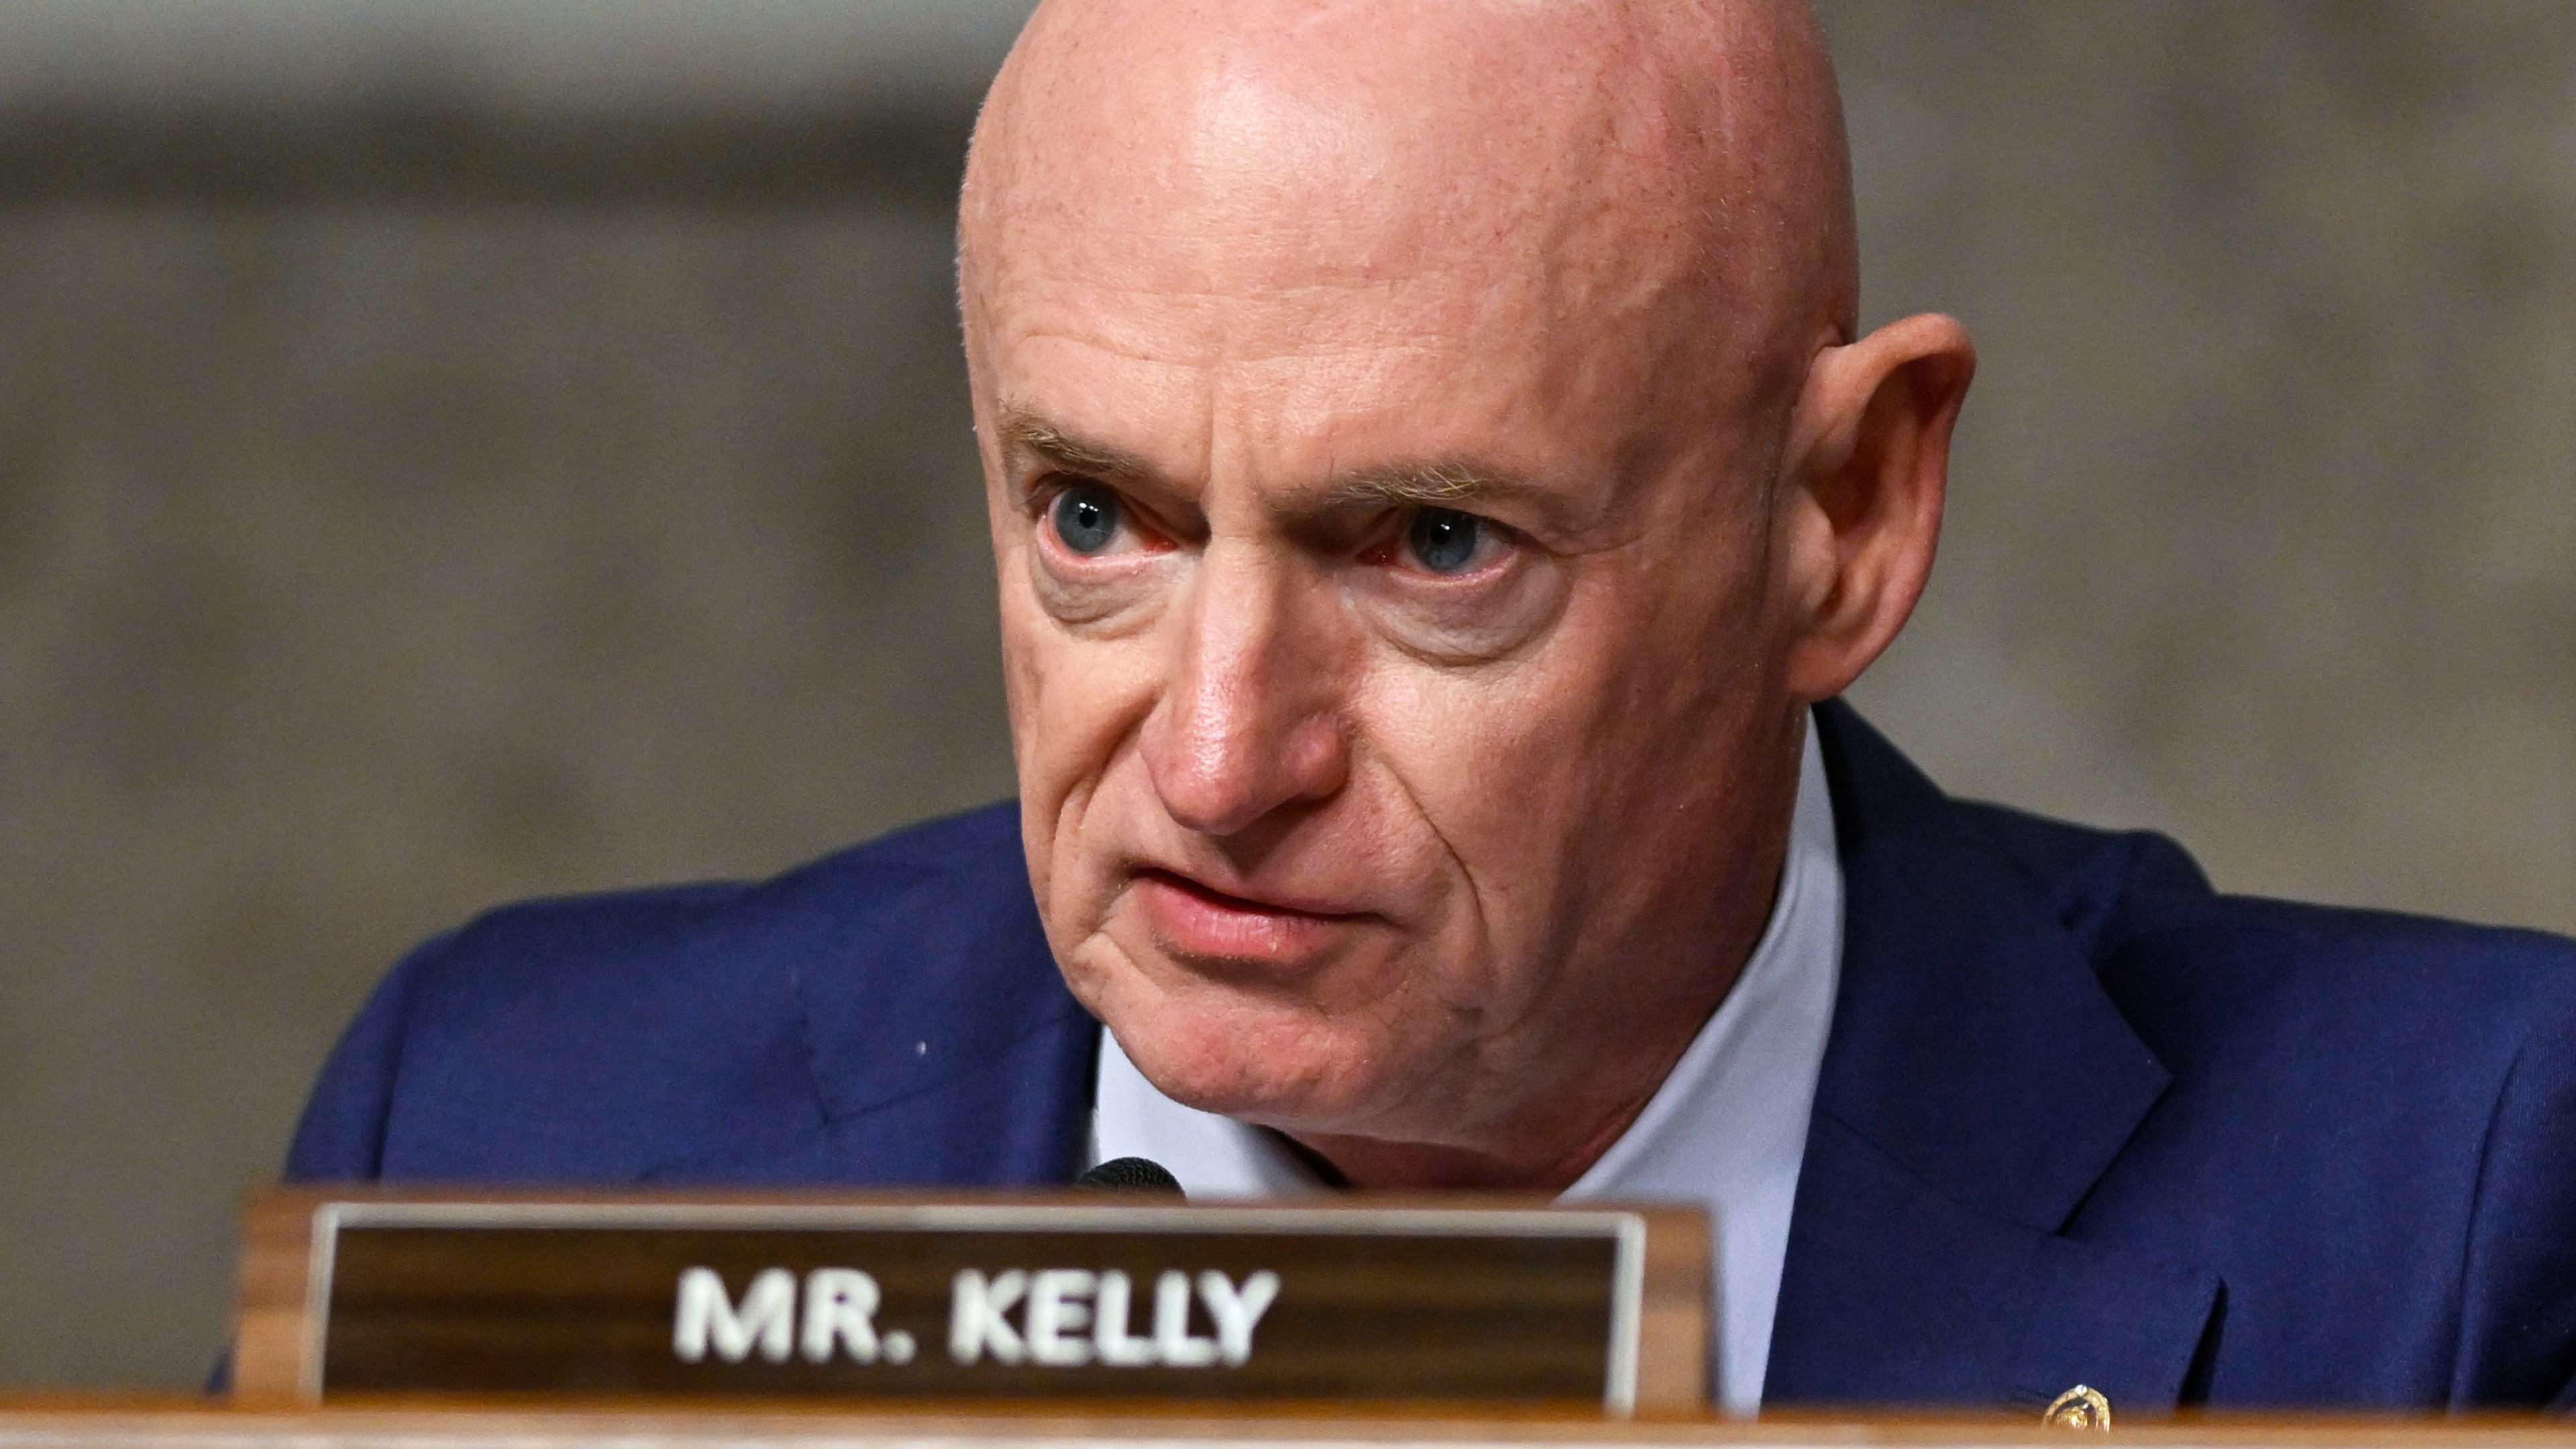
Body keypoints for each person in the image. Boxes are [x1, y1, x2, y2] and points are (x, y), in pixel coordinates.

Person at [284, 0, 2576, 1415]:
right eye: (1099, 521)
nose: (1210, 764)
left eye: (1431, 550)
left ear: (1845, 518)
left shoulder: (2450, 1215)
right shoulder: (501, 1117)